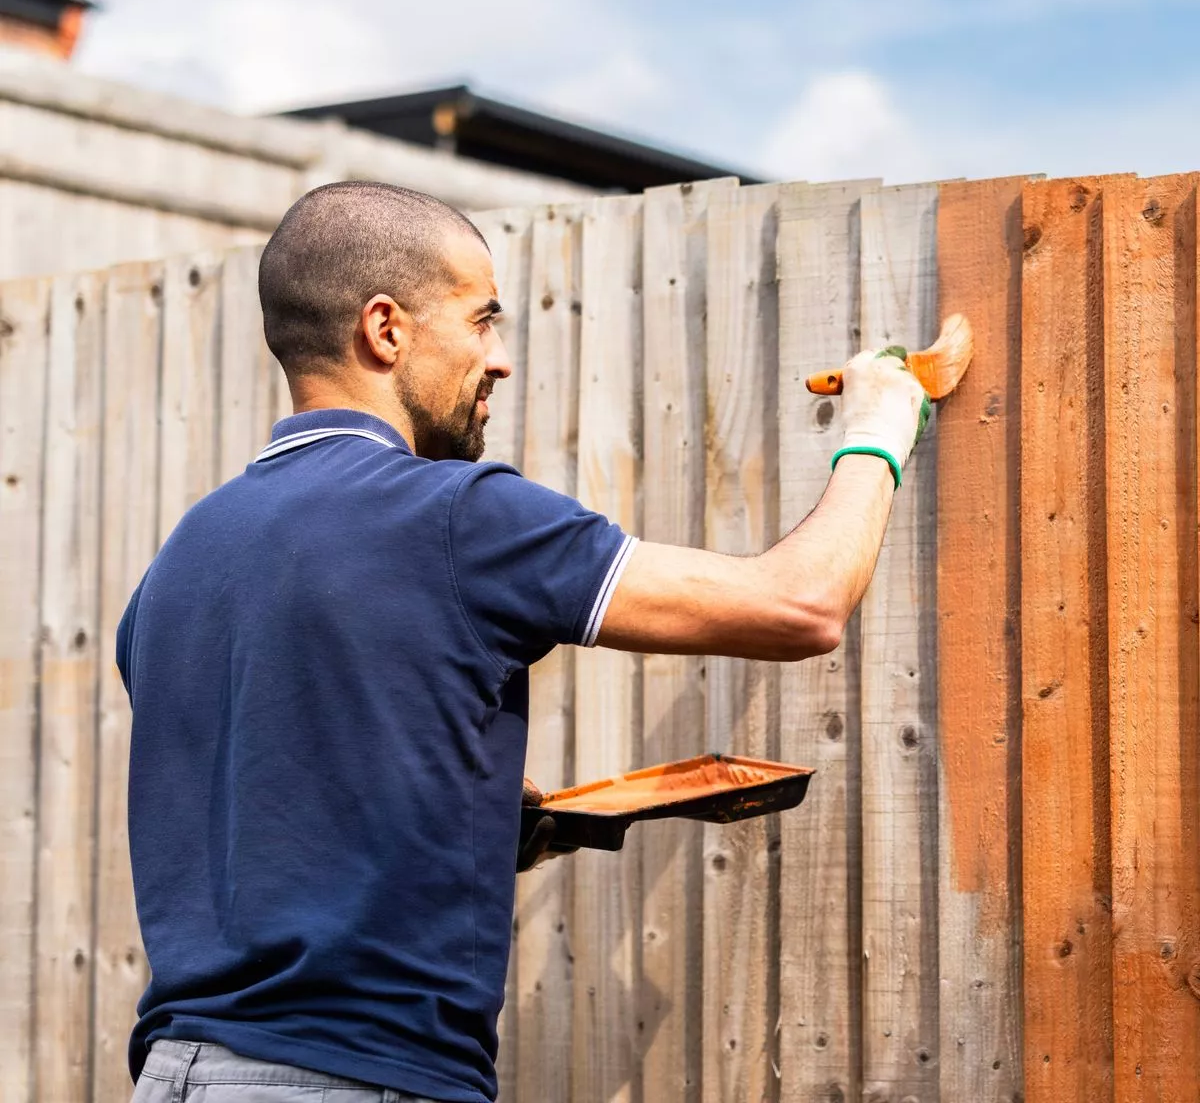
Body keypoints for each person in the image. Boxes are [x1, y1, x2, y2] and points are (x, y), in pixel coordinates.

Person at [118, 181, 928, 1103]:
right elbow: (801, 605)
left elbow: (280, 787)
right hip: (353, 1078)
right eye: (480, 321)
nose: (499, 360)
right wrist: (878, 429)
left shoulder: (176, 565)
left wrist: (484, 824)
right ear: (386, 330)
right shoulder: (460, 518)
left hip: (178, 1077)